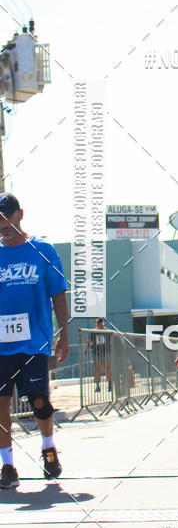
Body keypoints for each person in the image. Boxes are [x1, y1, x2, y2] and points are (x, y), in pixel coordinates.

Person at [0, 193, 69, 489]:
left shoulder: (43, 250)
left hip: (35, 341)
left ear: (20, 214)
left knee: (39, 401)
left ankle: (48, 447)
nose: (2, 224)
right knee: (1, 404)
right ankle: (7, 465)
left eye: (7, 216)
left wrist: (64, 334)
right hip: (1, 347)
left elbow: (58, 293)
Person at [85, 317, 111, 393]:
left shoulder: (107, 331)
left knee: (107, 368)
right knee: (96, 369)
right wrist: (86, 350)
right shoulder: (94, 332)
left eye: (99, 323)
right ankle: (97, 386)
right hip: (96, 352)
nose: (98, 325)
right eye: (97, 323)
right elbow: (89, 341)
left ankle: (110, 385)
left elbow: (111, 341)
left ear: (102, 323)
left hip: (106, 352)